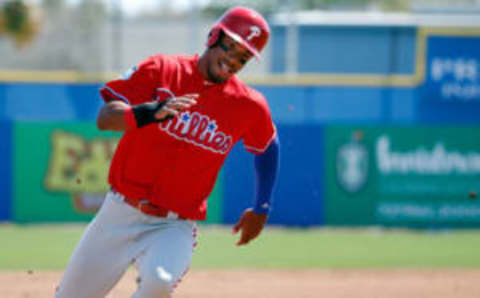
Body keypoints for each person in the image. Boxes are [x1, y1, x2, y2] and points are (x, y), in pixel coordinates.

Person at [55, 6, 280, 298]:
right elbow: (105, 117)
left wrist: (262, 207)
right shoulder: (162, 69)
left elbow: (267, 146)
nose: (233, 60)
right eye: (231, 47)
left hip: (173, 226)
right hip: (119, 213)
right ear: (214, 36)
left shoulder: (249, 105)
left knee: (158, 282)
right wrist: (146, 113)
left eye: (243, 56)